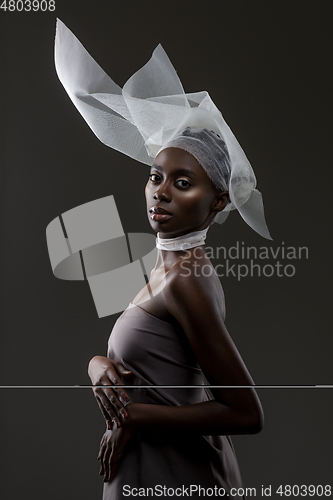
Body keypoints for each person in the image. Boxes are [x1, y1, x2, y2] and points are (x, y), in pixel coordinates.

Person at [54, 20, 272, 499]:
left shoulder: (186, 279)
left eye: (183, 183)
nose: (161, 193)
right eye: (156, 176)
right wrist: (96, 366)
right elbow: (146, 364)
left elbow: (245, 413)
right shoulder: (167, 267)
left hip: (177, 477)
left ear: (217, 202)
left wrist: (133, 417)